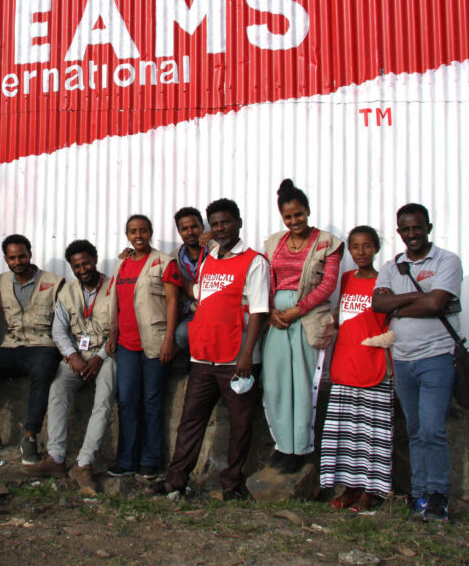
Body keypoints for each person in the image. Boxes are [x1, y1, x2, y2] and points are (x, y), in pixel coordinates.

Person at [153, 199, 269, 500]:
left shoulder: (254, 261)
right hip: (203, 356)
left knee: (240, 425)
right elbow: (202, 294)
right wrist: (176, 281)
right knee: (191, 422)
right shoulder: (209, 258)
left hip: (237, 358)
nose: (220, 228)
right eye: (215, 224)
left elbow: (258, 311)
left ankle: (232, 485)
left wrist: (247, 354)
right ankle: (176, 481)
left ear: (239, 223)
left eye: (226, 222)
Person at [372, 204, 462, 523]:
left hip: (436, 357)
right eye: (405, 229)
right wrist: (415, 301)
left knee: (433, 429)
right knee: (414, 430)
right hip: (403, 360)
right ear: (399, 232)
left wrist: (397, 305)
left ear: (428, 227)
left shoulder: (447, 261)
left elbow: (437, 303)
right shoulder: (391, 266)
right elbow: (377, 305)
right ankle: (419, 492)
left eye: (417, 228)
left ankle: (438, 497)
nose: (412, 235)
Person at [262, 179, 343, 474]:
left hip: (308, 318)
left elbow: (328, 284)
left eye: (299, 215)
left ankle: (299, 449)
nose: (294, 221)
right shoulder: (273, 243)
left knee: (303, 385)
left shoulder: (328, 243)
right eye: (288, 217)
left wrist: (299, 309)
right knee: (276, 381)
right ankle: (283, 445)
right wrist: (271, 311)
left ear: (308, 211)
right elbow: (267, 280)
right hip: (278, 319)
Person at [0, 235, 64, 462]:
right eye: (12, 258)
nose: (18, 262)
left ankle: (29, 437)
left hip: (41, 345)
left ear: (30, 254)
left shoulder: (54, 282)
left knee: (44, 370)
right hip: (10, 346)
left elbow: (65, 320)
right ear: (6, 259)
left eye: (22, 256)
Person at [26, 240, 118, 494]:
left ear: (95, 260)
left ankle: (84, 463)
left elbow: (117, 332)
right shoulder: (67, 291)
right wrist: (73, 356)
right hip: (76, 355)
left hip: (106, 354)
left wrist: (98, 358)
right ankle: (55, 458)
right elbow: (59, 330)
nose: (82, 269)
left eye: (86, 263)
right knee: (57, 390)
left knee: (105, 396)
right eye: (76, 266)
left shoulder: (113, 288)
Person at [319, 226, 394, 512]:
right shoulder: (346, 278)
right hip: (345, 366)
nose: (361, 253)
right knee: (346, 435)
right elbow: (343, 315)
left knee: (373, 436)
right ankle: (350, 488)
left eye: (367, 247)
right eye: (355, 247)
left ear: (376, 248)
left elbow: (392, 326)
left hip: (373, 367)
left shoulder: (385, 283)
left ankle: (372, 493)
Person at [109, 214, 182, 479]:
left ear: (151, 232)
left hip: (154, 343)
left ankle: (150, 460)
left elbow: (173, 302)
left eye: (142, 230)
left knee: (152, 402)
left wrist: (168, 340)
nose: (137, 235)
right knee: (127, 400)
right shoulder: (122, 263)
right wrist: (113, 331)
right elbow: (116, 300)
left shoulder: (165, 263)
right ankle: (127, 460)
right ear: (127, 235)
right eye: (132, 231)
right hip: (126, 344)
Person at [171, 207, 207, 353]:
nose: (190, 232)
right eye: (185, 229)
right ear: (179, 232)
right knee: (182, 334)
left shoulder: (216, 250)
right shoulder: (173, 258)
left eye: (194, 227)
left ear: (203, 227)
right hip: (189, 314)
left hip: (215, 311)